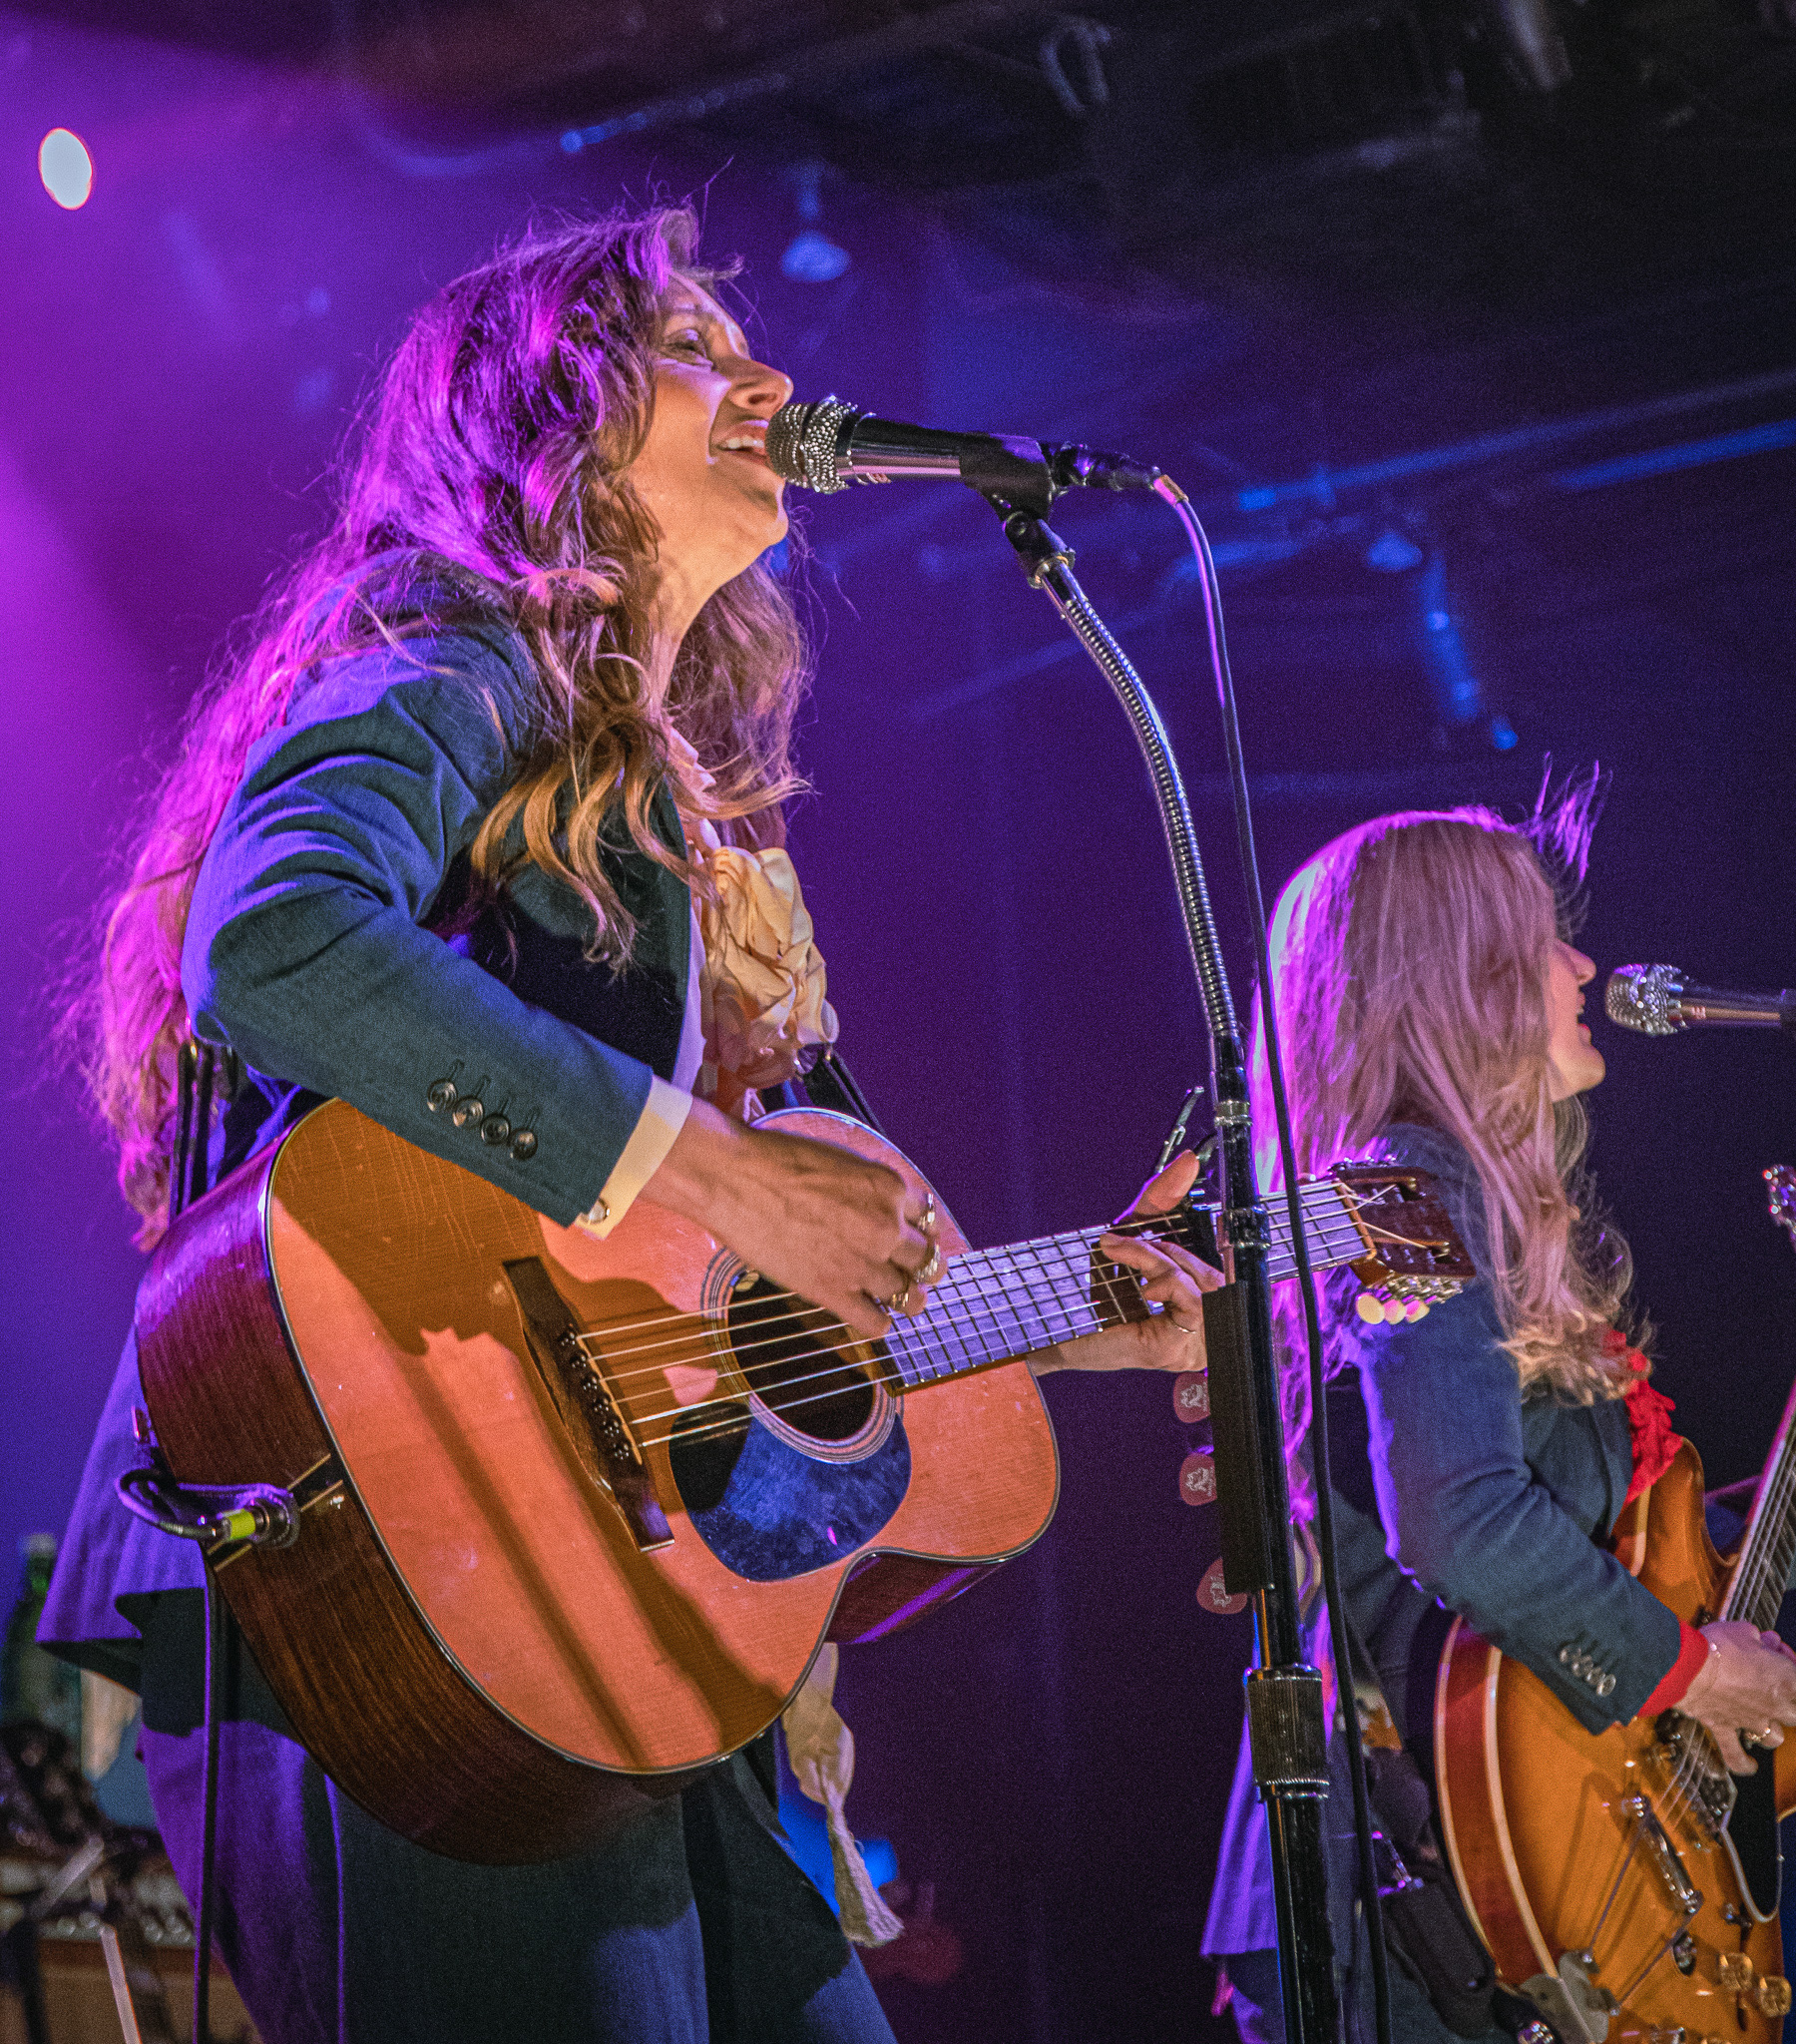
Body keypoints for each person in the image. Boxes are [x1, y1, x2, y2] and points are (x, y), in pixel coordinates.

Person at [40, 205, 1221, 2044]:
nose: (767, 377)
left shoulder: (679, 824)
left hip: (607, 1617)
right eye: (689, 346)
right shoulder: (458, 655)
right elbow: (275, 936)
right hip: (377, 1582)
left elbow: (724, 1309)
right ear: (549, 420)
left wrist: (1073, 1310)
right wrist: (727, 1171)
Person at [1201, 793, 1796, 2044]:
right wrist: (1693, 1671)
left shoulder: (1459, 1202)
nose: (1583, 965)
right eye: (1543, 937)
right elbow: (1459, 1517)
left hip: (1488, 1881)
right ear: (1459, 976)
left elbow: (1559, 1535)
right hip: (1399, 1911)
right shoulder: (1403, 1188)